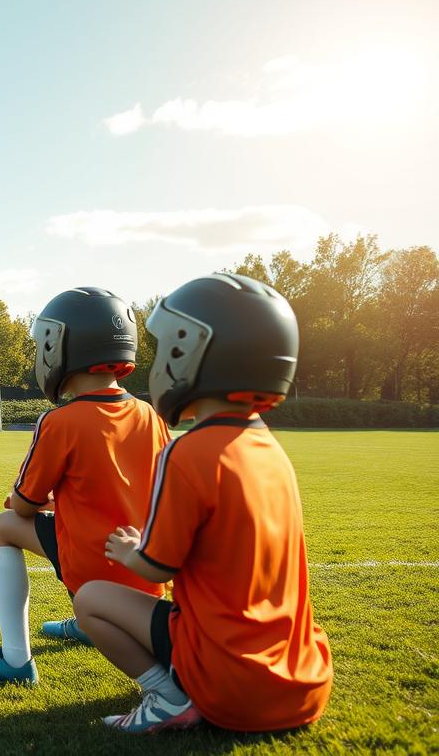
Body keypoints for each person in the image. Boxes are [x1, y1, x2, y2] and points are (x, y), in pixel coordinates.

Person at [73, 274, 333, 733]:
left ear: (190, 353)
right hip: (305, 684)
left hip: (235, 689)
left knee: (92, 598)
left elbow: (156, 568)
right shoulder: (270, 450)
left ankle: (169, 699)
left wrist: (129, 550)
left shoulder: (190, 450)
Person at [0, 287, 169, 684]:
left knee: (3, 525)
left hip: (91, 564)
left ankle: (16, 661)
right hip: (145, 567)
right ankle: (89, 624)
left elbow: (23, 506)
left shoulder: (59, 422)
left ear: (60, 345)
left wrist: (39, 502)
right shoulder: (150, 414)